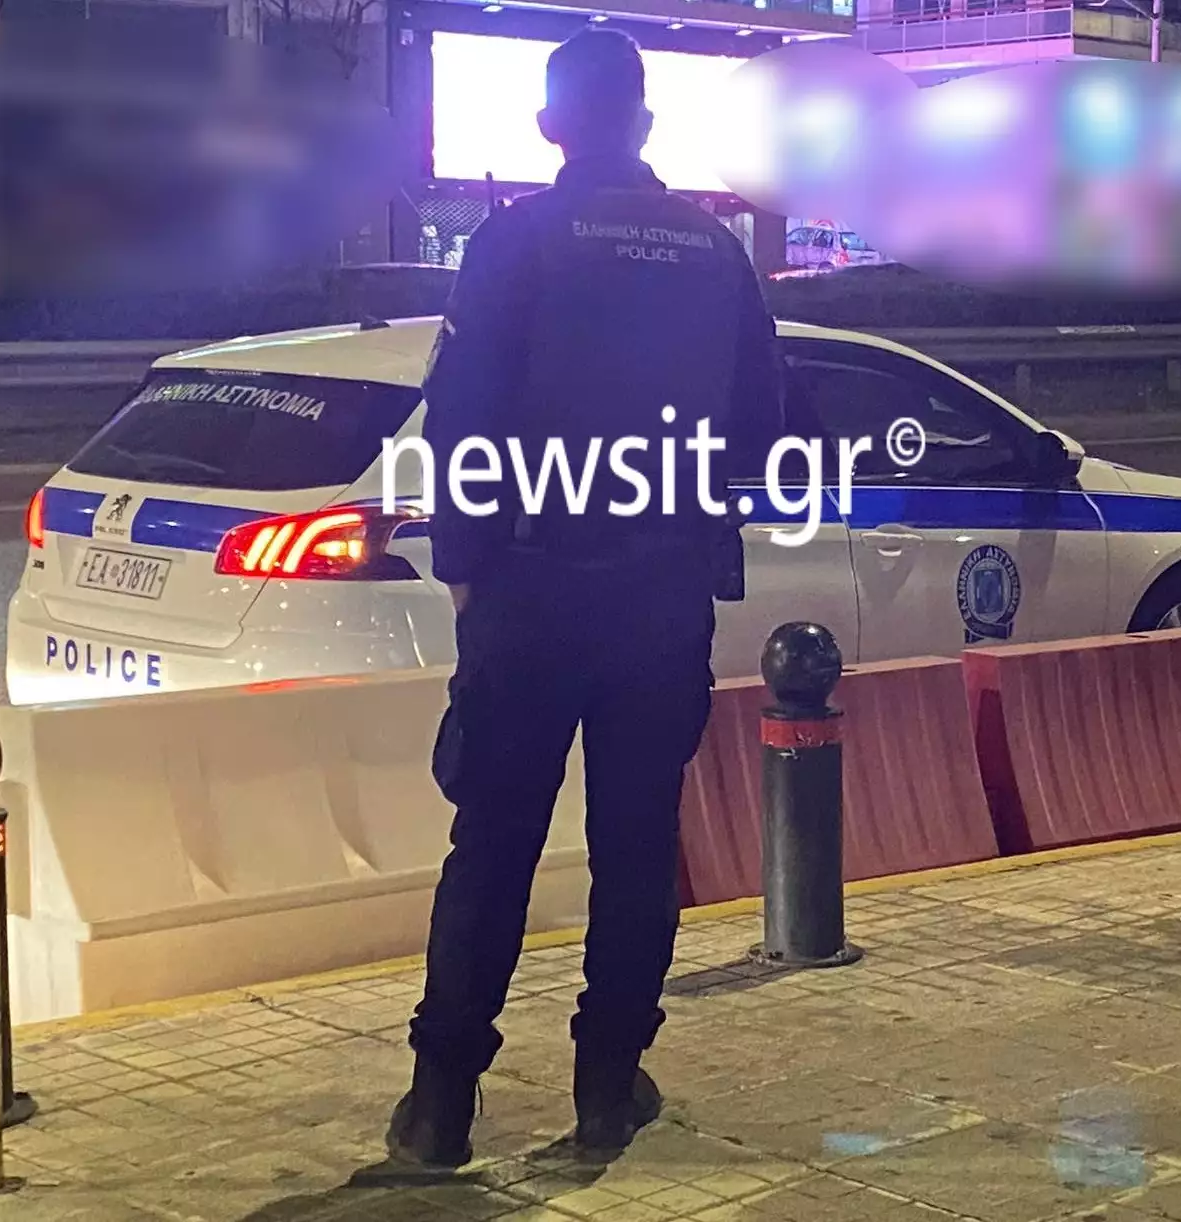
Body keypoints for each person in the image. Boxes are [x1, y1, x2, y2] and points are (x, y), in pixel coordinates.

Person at [387, 28, 784, 1168]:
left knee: (493, 843)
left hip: (528, 584)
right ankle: (607, 1089)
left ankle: (441, 1106)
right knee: (637, 846)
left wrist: (468, 571)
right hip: (660, 593)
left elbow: (461, 420)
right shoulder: (714, 252)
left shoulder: (515, 240)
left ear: (551, 127)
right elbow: (767, 425)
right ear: (645, 124)